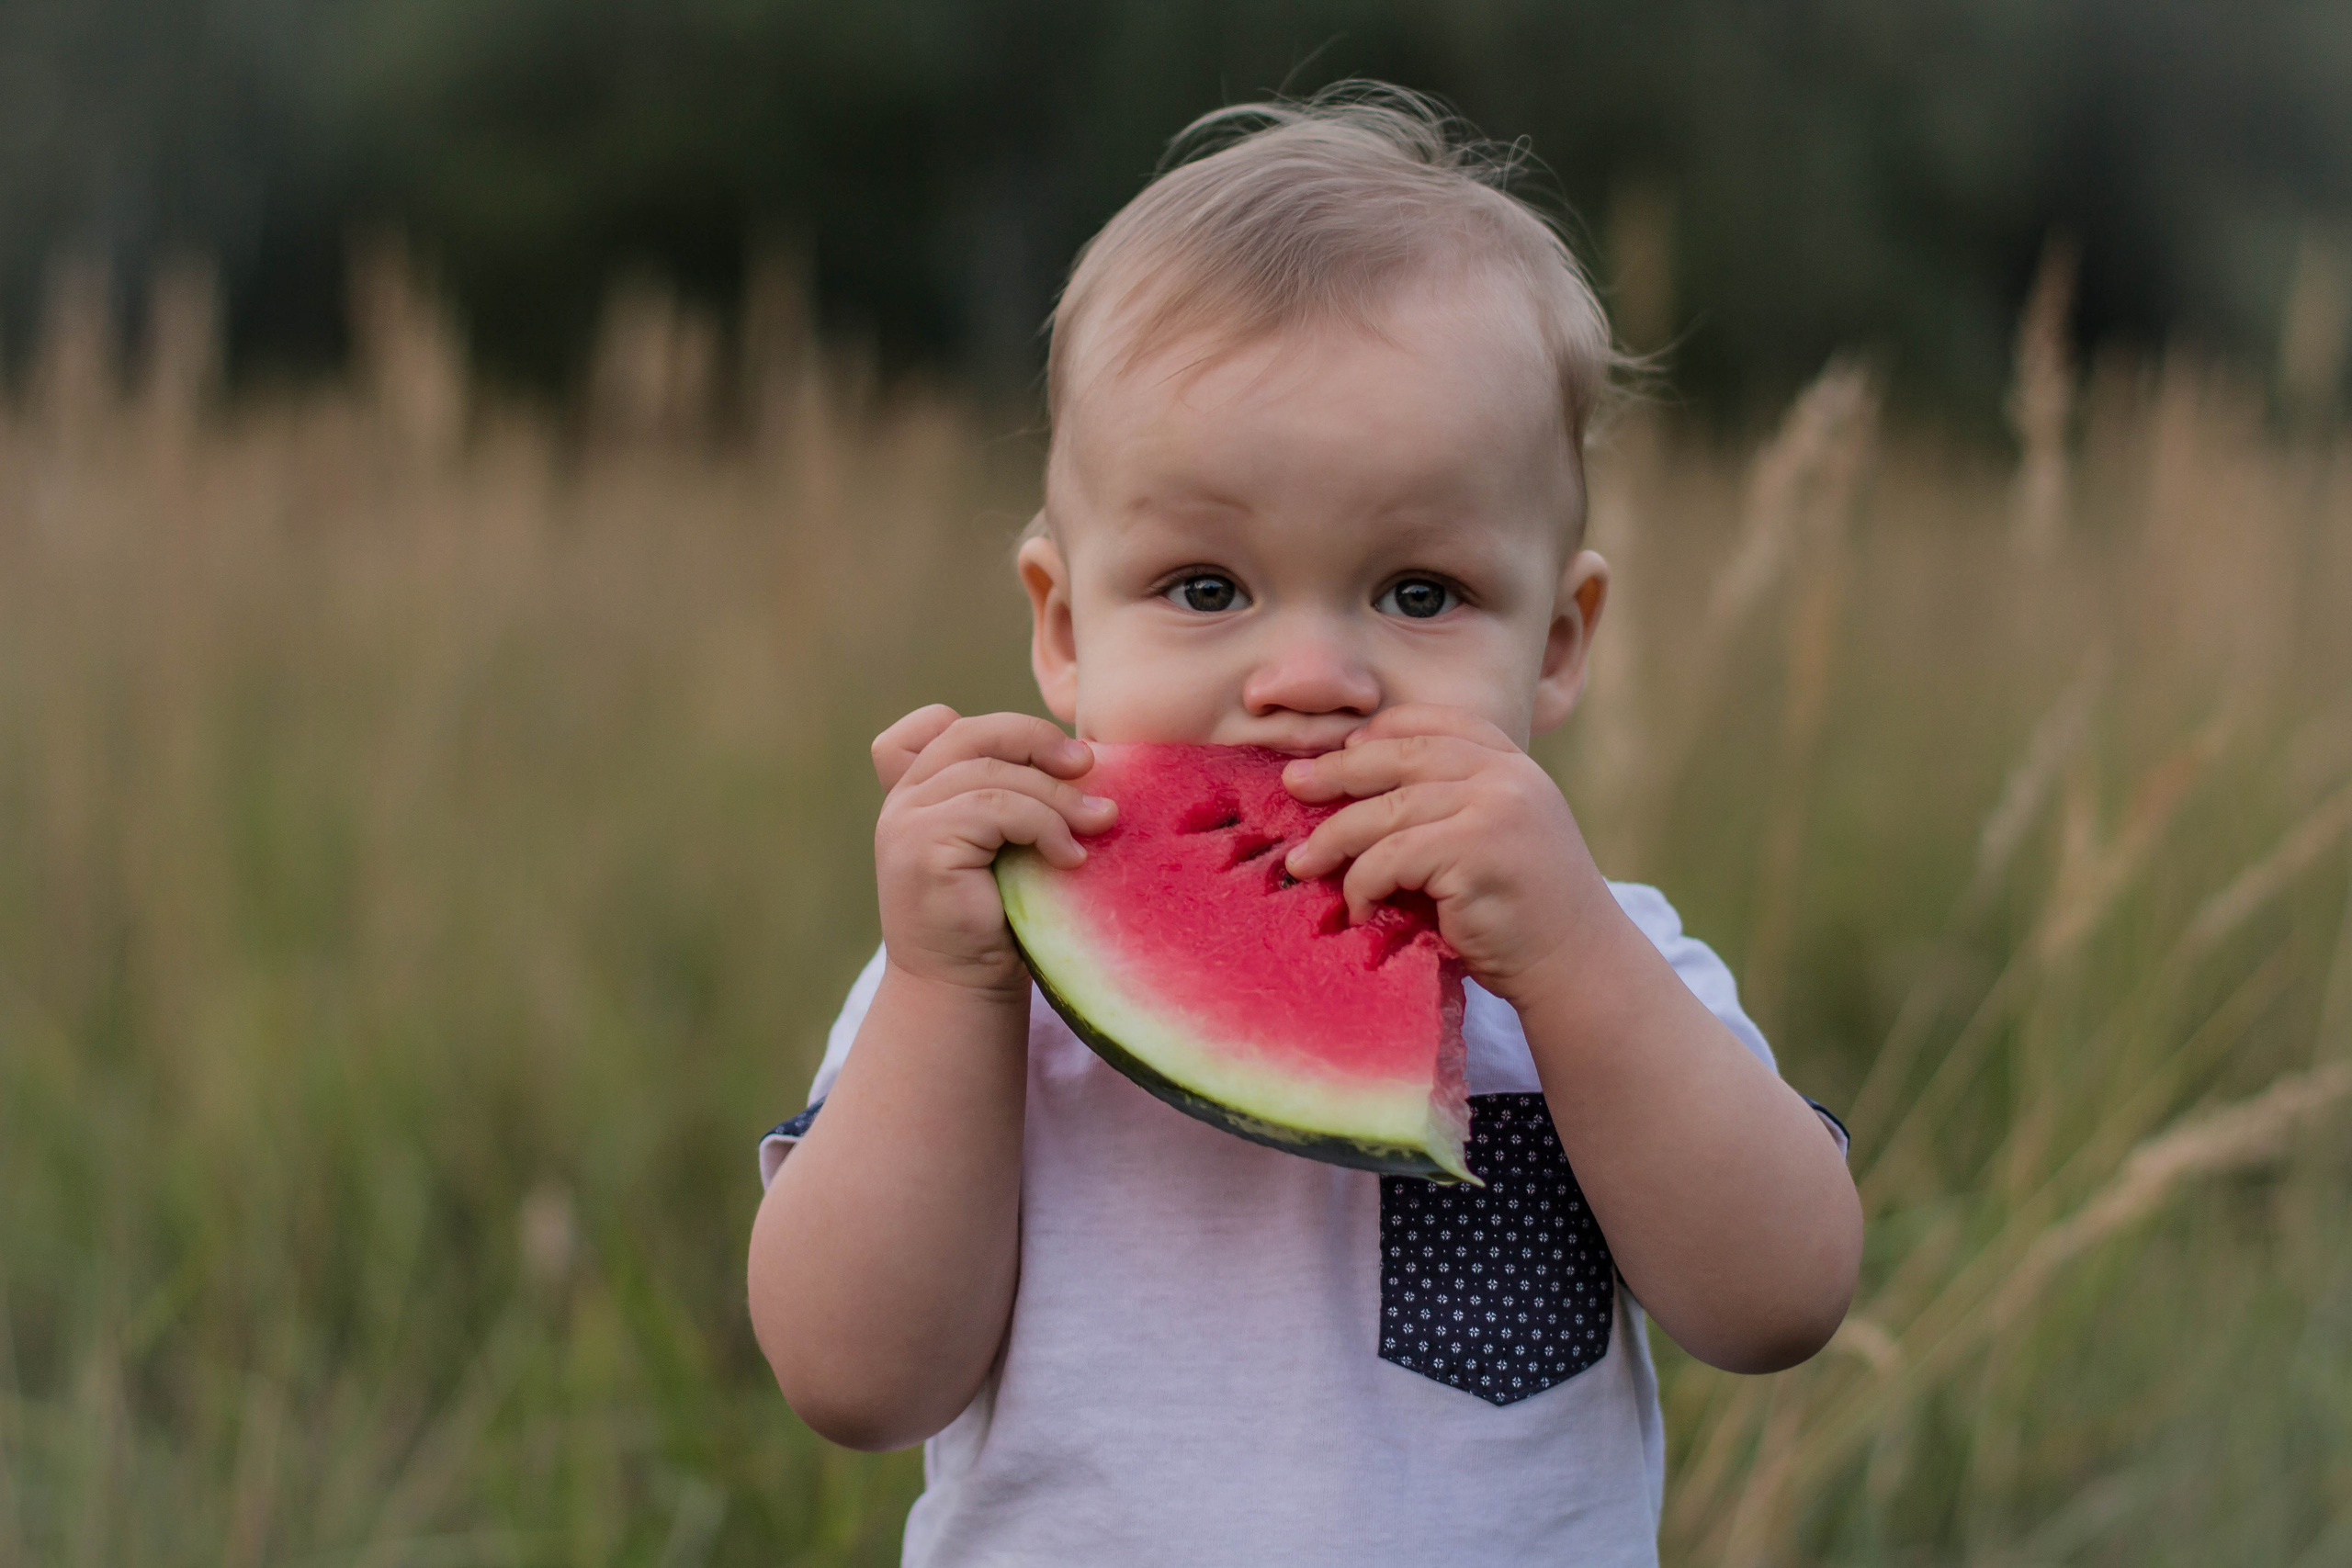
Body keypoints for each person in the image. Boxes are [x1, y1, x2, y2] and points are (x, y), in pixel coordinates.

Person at [746, 85, 1862, 1566]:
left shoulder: (1617, 961)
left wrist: (1575, 964)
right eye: (1207, 588)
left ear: (1558, 642)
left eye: (1421, 593)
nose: (1314, 677)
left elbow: (1783, 1299)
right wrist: (949, 991)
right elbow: (854, 1381)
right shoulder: (972, 980)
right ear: (1062, 628)